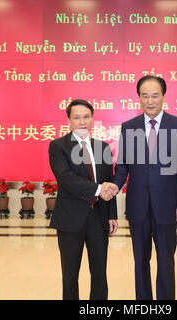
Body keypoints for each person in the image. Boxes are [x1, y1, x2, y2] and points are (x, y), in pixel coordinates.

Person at [112, 75, 177, 300]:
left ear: (163, 96)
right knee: (140, 261)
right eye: (145, 96)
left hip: (167, 206)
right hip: (138, 206)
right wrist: (113, 187)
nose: (150, 100)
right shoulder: (129, 127)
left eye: (154, 95)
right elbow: (123, 167)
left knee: (166, 261)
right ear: (138, 97)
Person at [48, 99, 118, 300]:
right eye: (76, 117)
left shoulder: (103, 147)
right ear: (69, 120)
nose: (82, 122)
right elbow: (66, 179)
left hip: (98, 218)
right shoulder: (58, 146)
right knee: (70, 276)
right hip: (70, 220)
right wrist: (98, 189)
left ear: (92, 119)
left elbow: (109, 183)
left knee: (99, 274)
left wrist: (111, 214)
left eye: (86, 117)